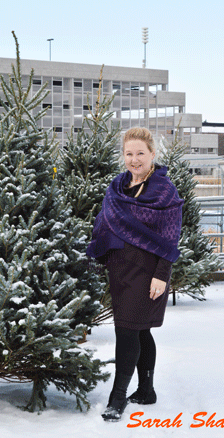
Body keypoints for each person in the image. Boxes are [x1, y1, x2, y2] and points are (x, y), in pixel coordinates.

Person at [86, 127, 184, 422]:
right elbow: (103, 223)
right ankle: (146, 390)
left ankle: (117, 398)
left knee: (126, 330)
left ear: (152, 154)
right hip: (120, 270)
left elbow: (170, 237)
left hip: (148, 271)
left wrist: (162, 275)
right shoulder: (117, 187)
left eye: (140, 153)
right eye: (129, 153)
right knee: (140, 329)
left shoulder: (164, 192)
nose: (134, 159)